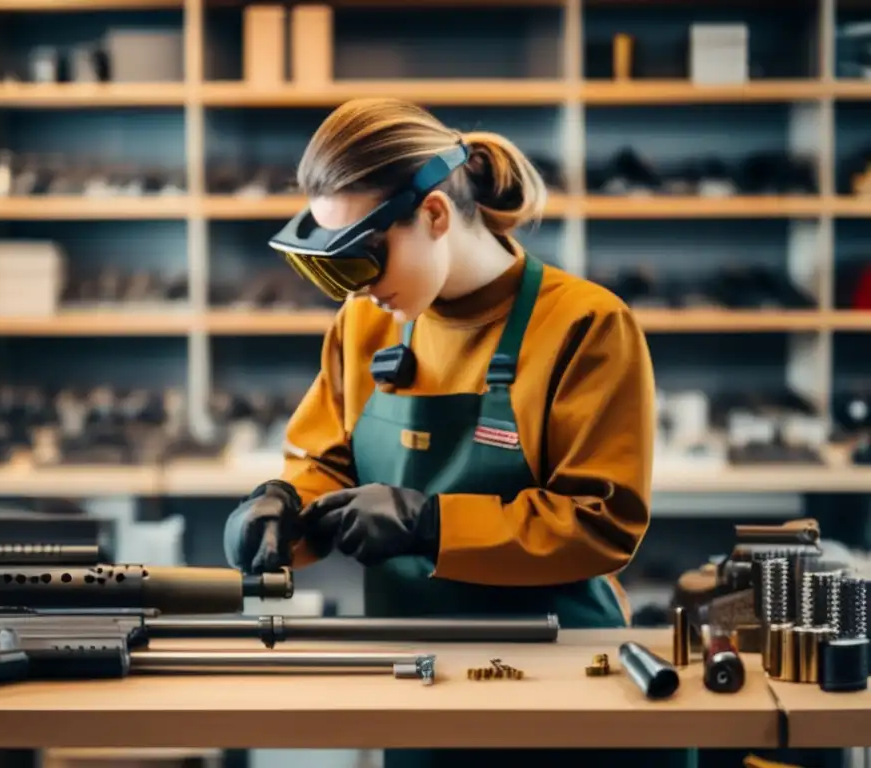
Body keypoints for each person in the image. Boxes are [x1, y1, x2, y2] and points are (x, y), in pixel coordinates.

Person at [223, 98, 692, 768]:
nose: (355, 291)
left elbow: (600, 522)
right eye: (330, 270)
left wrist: (431, 524)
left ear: (435, 215)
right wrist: (284, 507)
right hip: (421, 681)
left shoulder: (586, 326)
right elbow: (323, 460)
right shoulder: (365, 325)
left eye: (360, 262)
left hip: (563, 685)